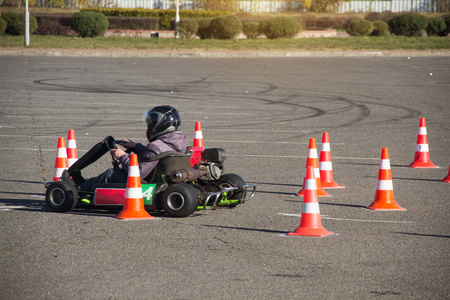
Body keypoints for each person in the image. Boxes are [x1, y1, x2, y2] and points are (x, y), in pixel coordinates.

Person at [79, 105, 189, 191]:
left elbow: (139, 172)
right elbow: (156, 156)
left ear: (158, 125)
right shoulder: (180, 140)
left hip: (148, 183)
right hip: (167, 178)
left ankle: (80, 188)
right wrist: (136, 147)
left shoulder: (156, 146)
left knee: (111, 174)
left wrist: (123, 156)